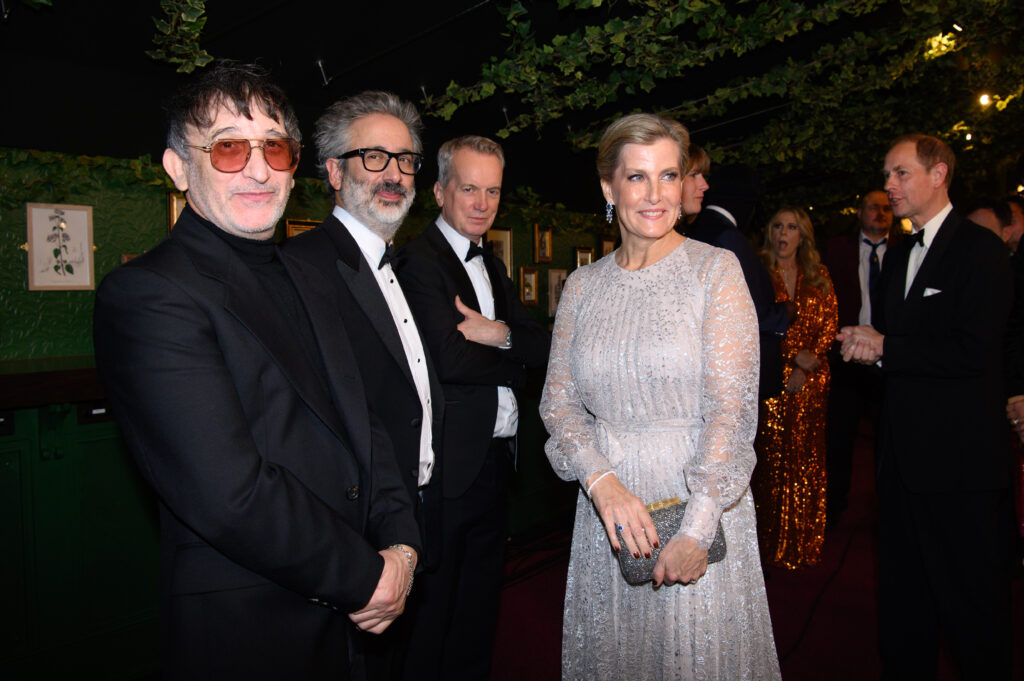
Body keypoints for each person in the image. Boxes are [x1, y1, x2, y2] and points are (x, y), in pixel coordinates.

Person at [92, 62, 419, 680]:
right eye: (228, 148)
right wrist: (368, 577)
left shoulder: (309, 274)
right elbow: (229, 493)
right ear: (177, 168)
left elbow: (367, 427)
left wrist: (403, 547)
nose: (258, 168)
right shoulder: (149, 294)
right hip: (256, 626)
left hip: (367, 623)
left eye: (274, 146)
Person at [540, 113, 780, 680]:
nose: (655, 195)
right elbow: (558, 404)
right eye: (637, 177)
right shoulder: (582, 286)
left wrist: (697, 528)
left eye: (669, 176)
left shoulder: (714, 271)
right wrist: (601, 483)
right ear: (608, 188)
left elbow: (733, 409)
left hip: (696, 506)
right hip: (610, 515)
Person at [280, 91, 444, 678]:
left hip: (415, 518)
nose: (395, 173)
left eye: (405, 160)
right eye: (374, 157)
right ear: (332, 170)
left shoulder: (404, 266)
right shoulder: (302, 269)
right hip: (359, 538)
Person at [838, 134, 1013, 679]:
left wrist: (887, 345)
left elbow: (975, 351)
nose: (888, 185)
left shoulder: (980, 250)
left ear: (939, 175)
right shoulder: (898, 256)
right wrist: (873, 351)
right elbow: (907, 352)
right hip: (899, 464)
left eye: (900, 173)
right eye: (887, 174)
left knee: (970, 610)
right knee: (904, 605)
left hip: (959, 467)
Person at [395, 135, 550, 680]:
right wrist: (514, 351)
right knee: (434, 614)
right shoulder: (417, 261)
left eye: (492, 191)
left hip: (496, 463)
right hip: (447, 469)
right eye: (468, 189)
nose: (482, 203)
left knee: (481, 605)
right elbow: (449, 358)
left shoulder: (495, 262)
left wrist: (500, 334)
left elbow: (541, 343)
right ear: (439, 191)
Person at [752, 207, 838, 568]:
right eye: (777, 226)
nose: (783, 233)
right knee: (768, 464)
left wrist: (809, 362)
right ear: (769, 232)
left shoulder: (819, 276)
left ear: (803, 235)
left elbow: (830, 325)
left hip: (812, 383)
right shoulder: (757, 273)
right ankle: (764, 546)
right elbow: (751, 325)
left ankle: (802, 543)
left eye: (791, 227)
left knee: (806, 463)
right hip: (771, 381)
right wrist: (790, 358)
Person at [680, 164, 791, 398]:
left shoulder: (695, 231)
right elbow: (740, 312)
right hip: (730, 375)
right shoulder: (728, 237)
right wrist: (785, 314)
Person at [821, 190, 895, 524]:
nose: (880, 213)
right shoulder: (836, 249)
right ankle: (835, 508)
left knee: (890, 440)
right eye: (873, 207)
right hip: (846, 359)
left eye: (886, 208)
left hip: (891, 361)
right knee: (839, 439)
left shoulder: (906, 250)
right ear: (860, 212)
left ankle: (888, 511)